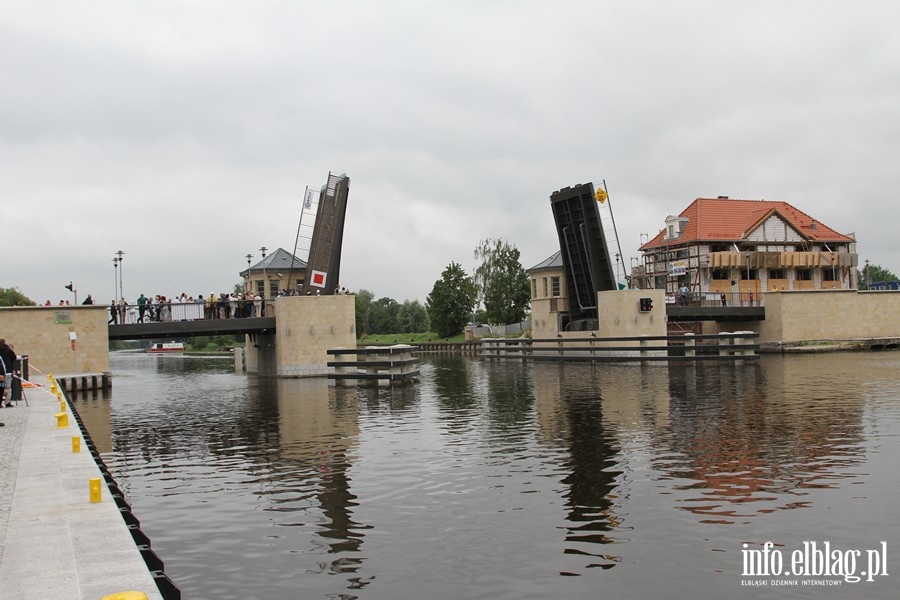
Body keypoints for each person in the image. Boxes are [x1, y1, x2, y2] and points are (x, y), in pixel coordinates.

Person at [0, 339, 17, 407]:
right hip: (8, 371)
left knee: (0, 388)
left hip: (1, 372)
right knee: (8, 387)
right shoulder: (8, 350)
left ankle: (0, 403)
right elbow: (14, 357)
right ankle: (7, 402)